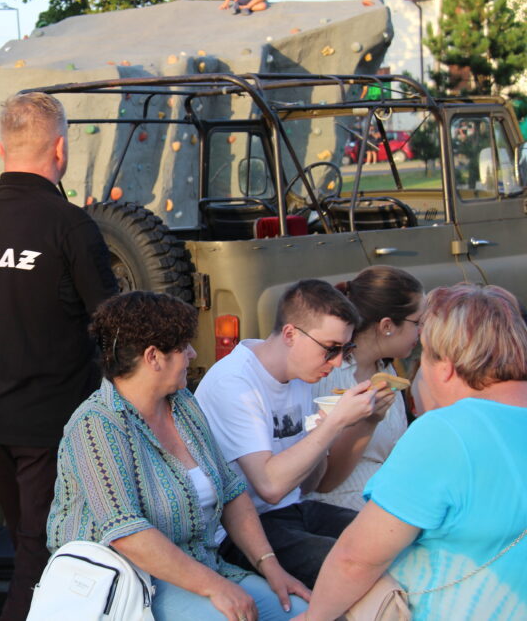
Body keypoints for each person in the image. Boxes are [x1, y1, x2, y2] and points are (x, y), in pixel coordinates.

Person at [0, 91, 118, 620]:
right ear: (60, 149)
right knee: (42, 559)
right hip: (54, 423)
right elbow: (113, 324)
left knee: (27, 544)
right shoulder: (70, 224)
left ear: (1, 150)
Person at [48, 291, 310, 621]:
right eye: (184, 346)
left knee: (303, 612)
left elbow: (231, 490)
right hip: (131, 586)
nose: (193, 354)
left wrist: (271, 567)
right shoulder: (97, 424)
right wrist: (214, 587)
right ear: (153, 357)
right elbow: (127, 533)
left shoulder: (183, 403)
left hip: (204, 567)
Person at [298, 284, 527, 620]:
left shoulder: (446, 432)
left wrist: (314, 617)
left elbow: (356, 559)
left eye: (425, 357)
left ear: (446, 367)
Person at [195, 279, 389, 589]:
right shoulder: (234, 383)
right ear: (290, 334)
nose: (338, 361)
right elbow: (270, 487)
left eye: (346, 349)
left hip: (292, 510)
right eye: (331, 348)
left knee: (389, 540)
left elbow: (310, 485)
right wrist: (335, 424)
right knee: (356, 566)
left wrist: (327, 430)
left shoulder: (301, 376)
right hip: (241, 532)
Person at [306, 266, 424, 511]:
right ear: (387, 325)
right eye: (417, 322)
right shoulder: (328, 375)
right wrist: (367, 422)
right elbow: (324, 482)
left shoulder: (386, 370)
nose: (421, 332)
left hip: (384, 496)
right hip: (336, 508)